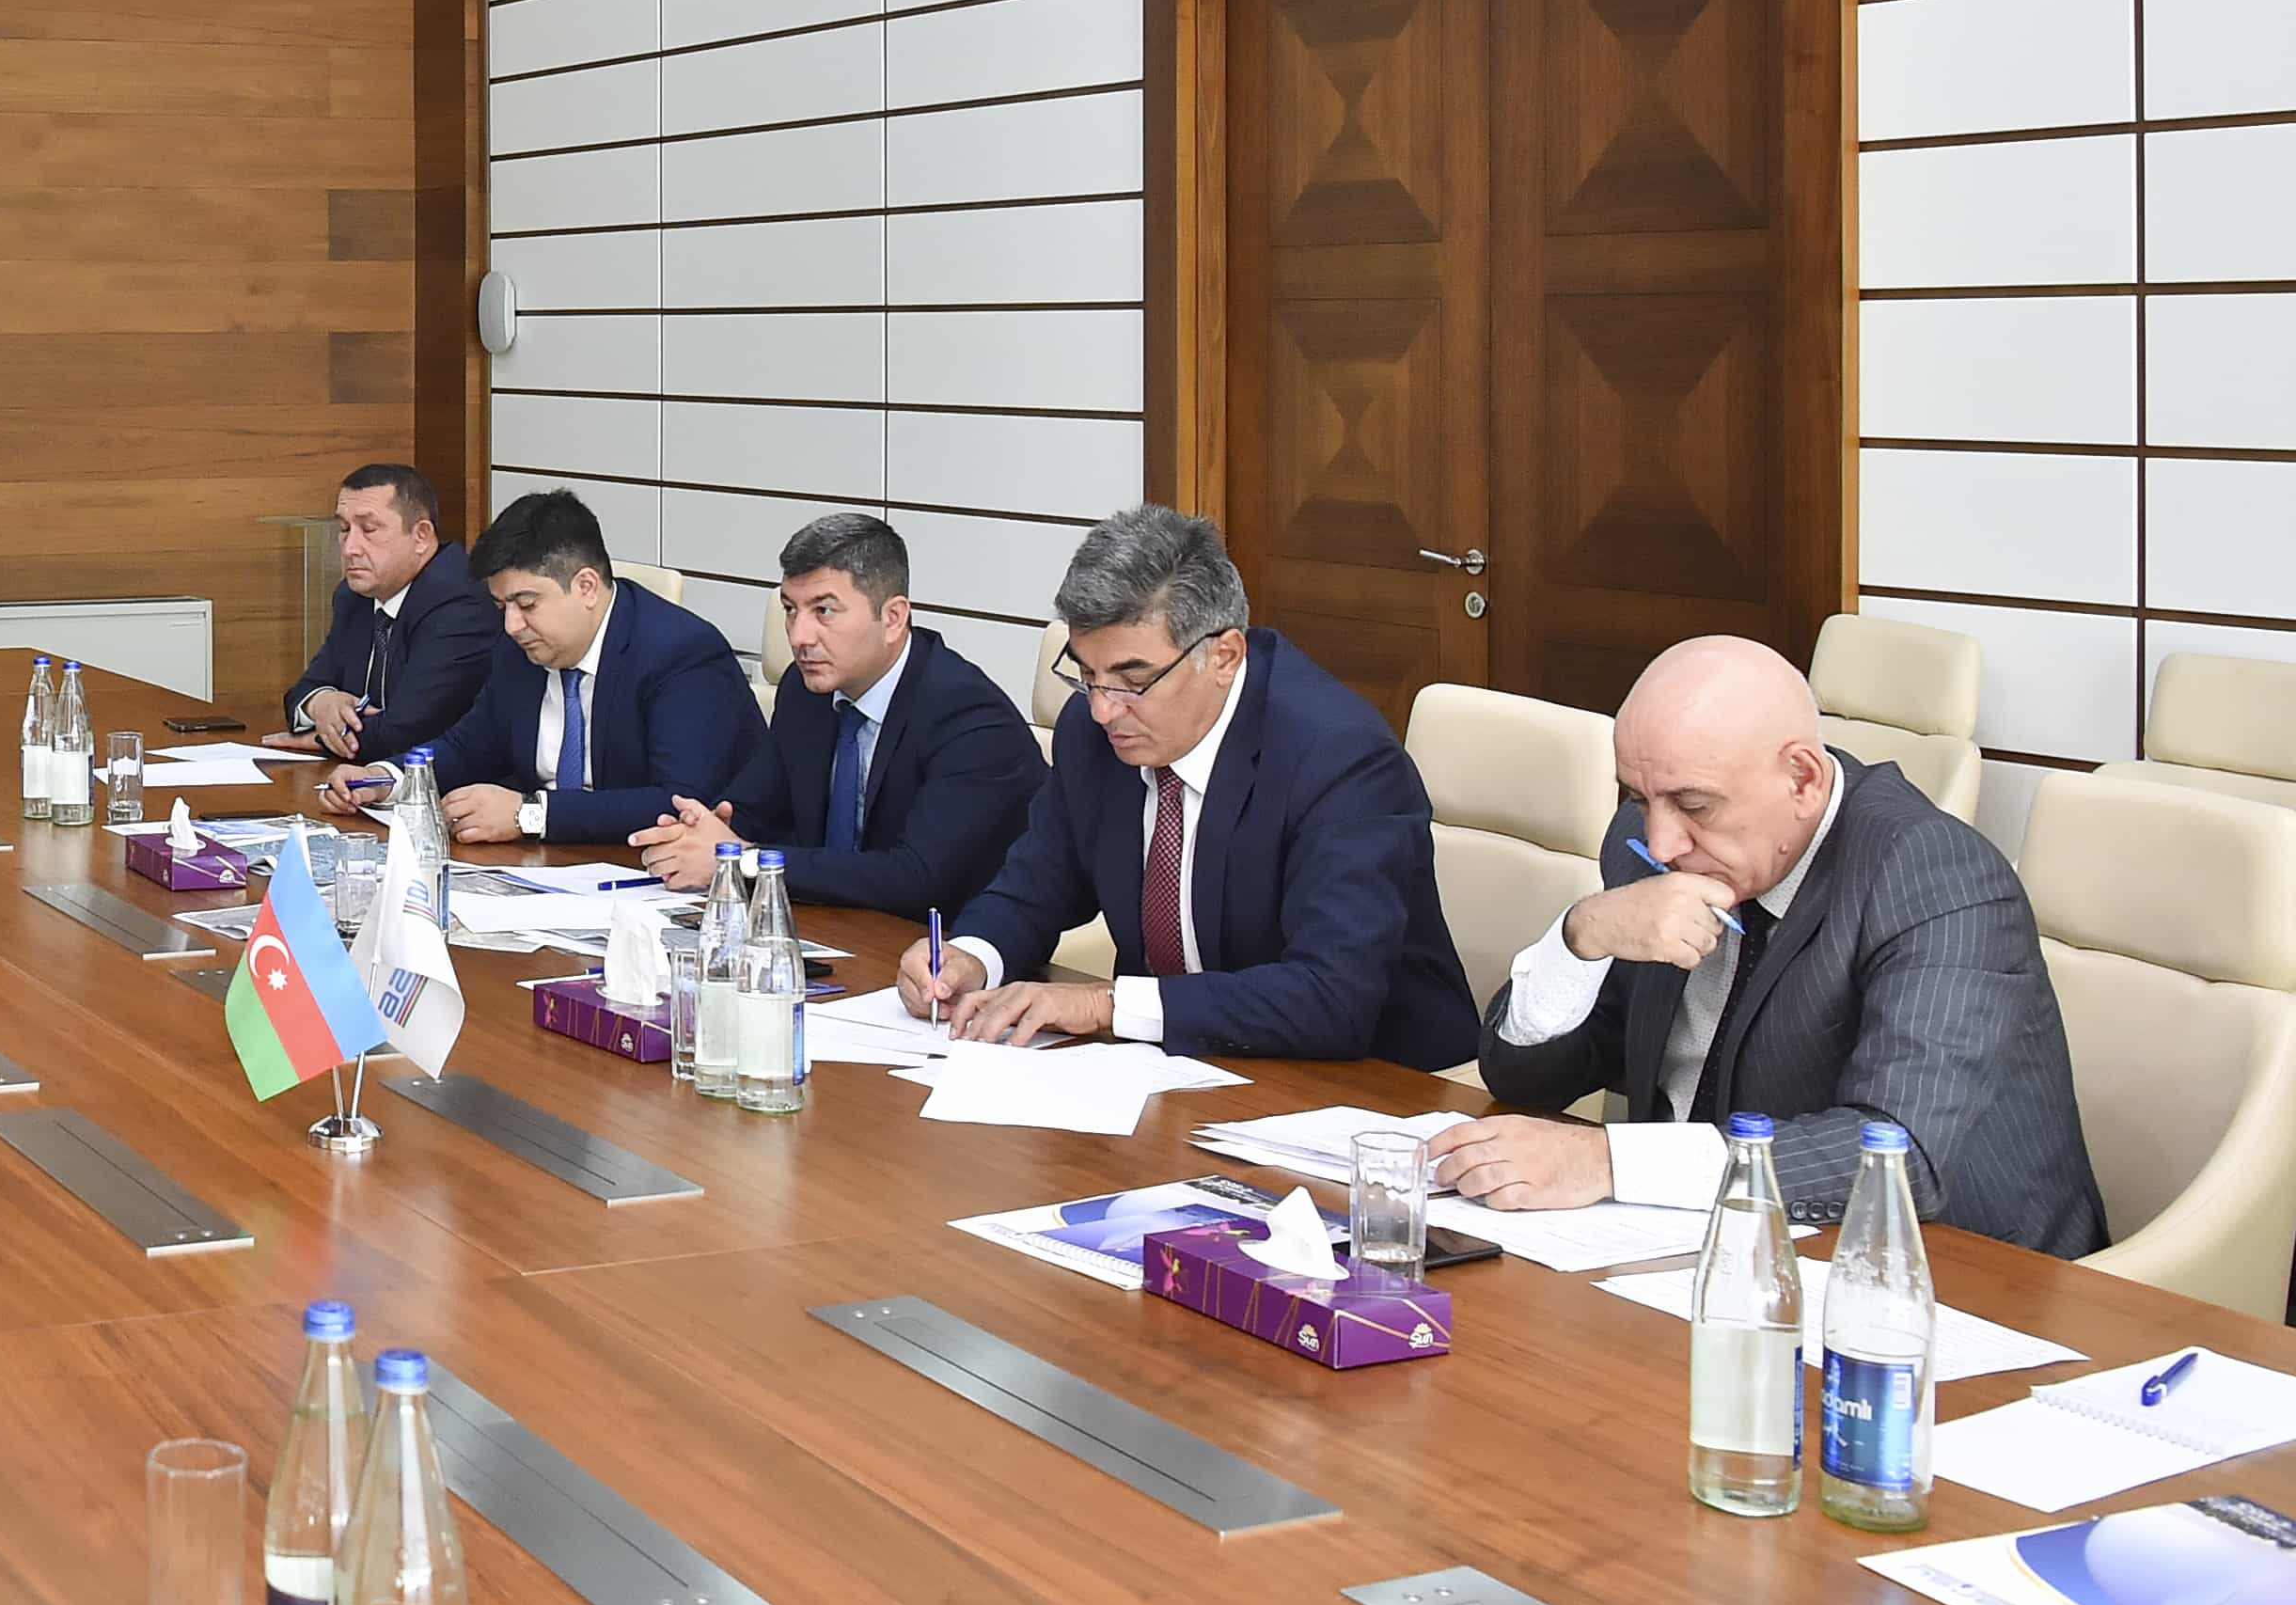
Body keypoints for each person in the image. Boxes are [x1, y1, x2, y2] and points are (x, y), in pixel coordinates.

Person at [1433, 636, 2107, 1252]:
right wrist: (1583, 936)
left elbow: (1898, 1154)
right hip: (1699, 1243)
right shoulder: (1646, 847)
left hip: (1952, 1272)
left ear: (1802, 779)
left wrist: (1606, 1162)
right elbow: (1525, 1082)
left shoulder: (1934, 877)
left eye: (1695, 806)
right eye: (1638, 797)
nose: (1661, 842)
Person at [899, 506, 1476, 1065]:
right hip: (1176, 1065)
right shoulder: (1093, 733)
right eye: (1087, 675)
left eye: (1132, 680)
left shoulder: (1340, 759)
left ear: (1223, 657)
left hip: (1378, 1084)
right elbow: (1035, 886)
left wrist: (1105, 1005)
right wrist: (970, 957)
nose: (1103, 709)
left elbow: (1332, 994)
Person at [630, 510, 1039, 916]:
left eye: (823, 611)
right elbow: (753, 810)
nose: (799, 636)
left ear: (893, 618)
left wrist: (743, 860)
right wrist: (701, 832)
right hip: (835, 926)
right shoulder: (805, 691)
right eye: (790, 609)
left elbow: (915, 878)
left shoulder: (969, 718)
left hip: (941, 942)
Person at [321, 486, 752, 842]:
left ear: (586, 587)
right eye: (502, 606)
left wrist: (530, 814)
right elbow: (468, 747)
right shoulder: (521, 651)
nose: (511, 625)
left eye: (526, 604)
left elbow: (678, 799)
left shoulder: (680, 654)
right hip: (552, 868)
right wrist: (387, 778)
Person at [284, 463, 498, 763]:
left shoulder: (461, 603)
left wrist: (323, 739)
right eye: (344, 529)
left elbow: (406, 730)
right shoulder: (354, 596)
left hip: (443, 781)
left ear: (421, 536)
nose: (349, 548)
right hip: (367, 774)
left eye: (369, 530)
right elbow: (302, 691)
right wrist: (321, 703)